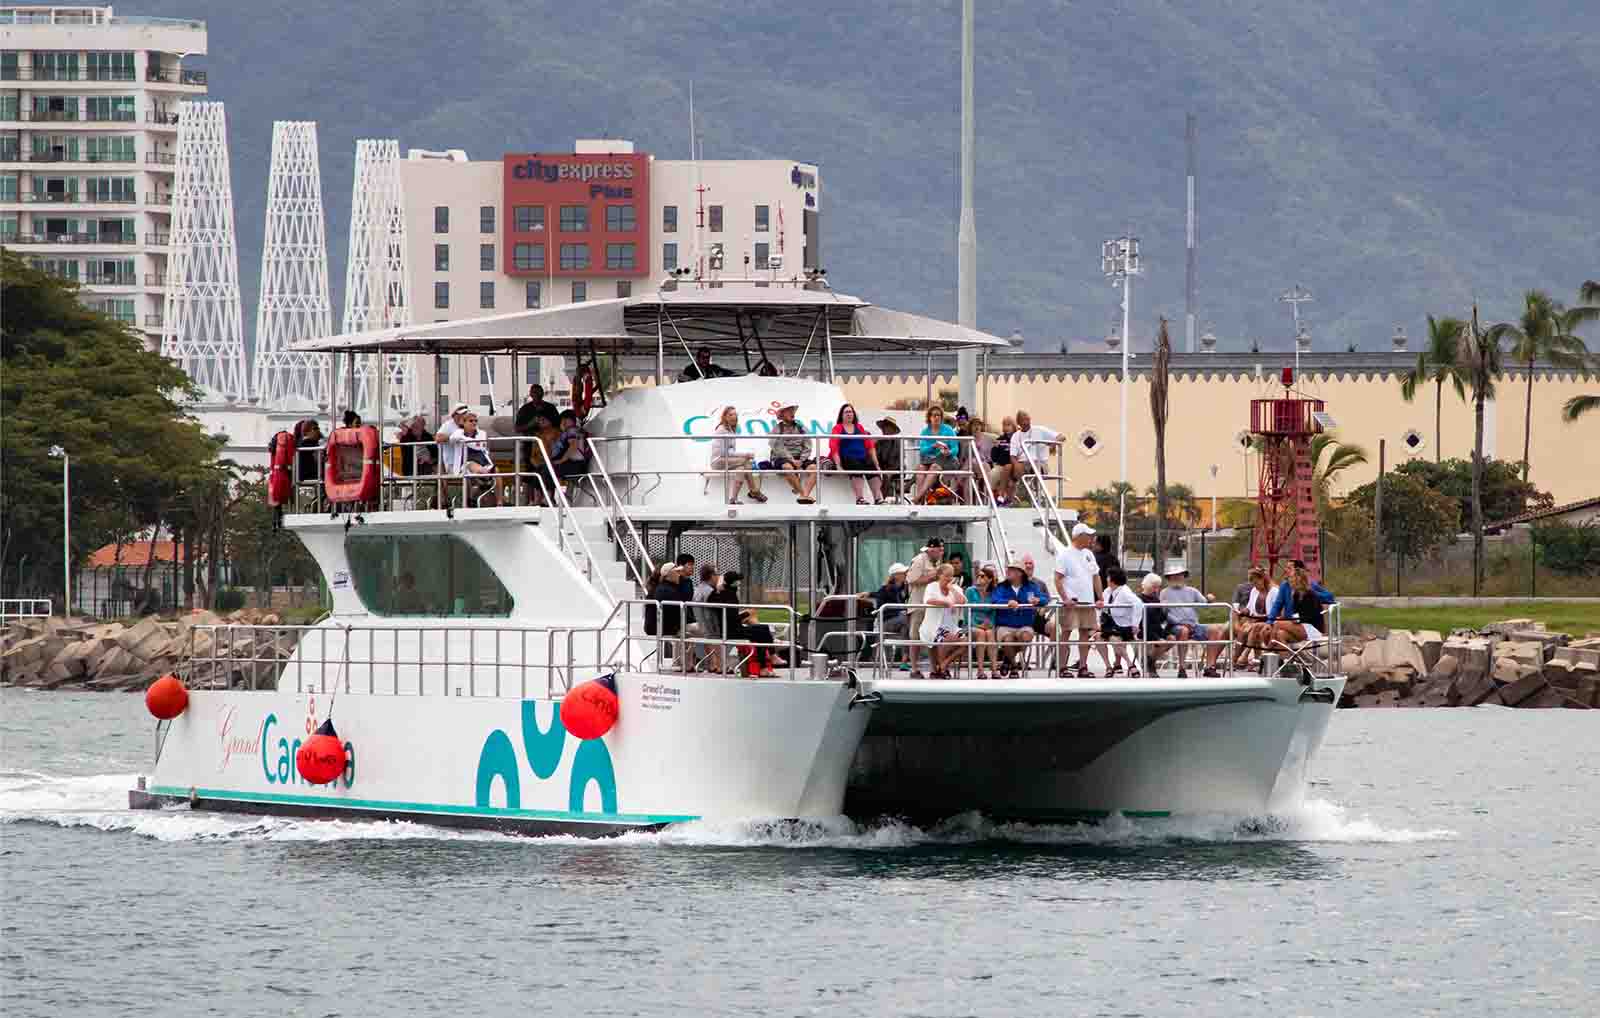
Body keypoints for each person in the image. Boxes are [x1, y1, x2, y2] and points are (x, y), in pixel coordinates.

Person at [1054, 522, 1104, 677]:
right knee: (1066, 632)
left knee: (1085, 634)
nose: (1091, 538)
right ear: (1080, 536)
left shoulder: (1089, 554)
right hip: (1071, 602)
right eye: (1088, 535)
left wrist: (1100, 597)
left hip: (1087, 601)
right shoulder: (1064, 554)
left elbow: (1096, 577)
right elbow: (1057, 578)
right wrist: (1065, 598)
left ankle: (1083, 666)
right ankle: (1062, 667)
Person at [989, 559, 1050, 677]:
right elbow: (995, 600)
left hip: (1024, 624)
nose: (1008, 572)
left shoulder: (1032, 586)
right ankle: (1014, 666)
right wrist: (1008, 602)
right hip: (1005, 625)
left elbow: (1045, 599)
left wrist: (1038, 600)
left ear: (1019, 573)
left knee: (1026, 636)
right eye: (1008, 569)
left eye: (1011, 570)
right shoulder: (1001, 587)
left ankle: (1008, 661)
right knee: (1007, 640)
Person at [710, 570, 777, 676]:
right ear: (733, 582)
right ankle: (769, 660)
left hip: (734, 628)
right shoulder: (728, 595)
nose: (739, 583)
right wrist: (747, 614)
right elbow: (732, 618)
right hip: (732, 631)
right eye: (737, 581)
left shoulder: (727, 593)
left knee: (762, 630)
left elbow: (730, 616)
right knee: (762, 631)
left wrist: (746, 614)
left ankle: (766, 664)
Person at [1160, 566, 1216, 678]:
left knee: (1214, 630)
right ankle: (1182, 668)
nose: (1177, 577)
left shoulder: (1192, 591)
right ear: (1169, 578)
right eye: (1174, 575)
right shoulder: (1164, 593)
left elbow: (1204, 602)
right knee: (1183, 631)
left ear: (1184, 577)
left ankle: (1210, 667)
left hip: (1193, 625)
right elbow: (1164, 613)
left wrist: (1210, 599)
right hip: (1174, 626)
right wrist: (1180, 622)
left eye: (1179, 575)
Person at [1266, 559, 1336, 645]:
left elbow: (1330, 597)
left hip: (1308, 626)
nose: (1286, 570)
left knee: (1277, 624)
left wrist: (1310, 591)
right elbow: (1277, 605)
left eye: (1289, 568)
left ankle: (1268, 651)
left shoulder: (1311, 590)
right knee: (1279, 634)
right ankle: (1284, 658)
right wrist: (1270, 621)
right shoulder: (1286, 587)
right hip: (1292, 622)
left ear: (1298, 574)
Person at [827, 404, 885, 505]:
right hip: (847, 458)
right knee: (855, 466)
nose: (849, 414)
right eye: (846, 412)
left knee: (872, 469)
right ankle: (860, 498)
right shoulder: (838, 428)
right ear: (841, 415)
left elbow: (870, 446)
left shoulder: (859, 427)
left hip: (862, 457)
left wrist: (877, 465)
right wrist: (838, 465)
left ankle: (878, 498)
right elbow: (833, 447)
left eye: (851, 412)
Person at [904, 538, 944, 679]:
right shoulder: (919, 560)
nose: (942, 552)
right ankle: (914, 669)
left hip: (932, 606)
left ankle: (935, 669)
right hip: (918, 605)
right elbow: (911, 580)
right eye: (940, 549)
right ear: (932, 549)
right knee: (915, 638)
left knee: (932, 637)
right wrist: (933, 576)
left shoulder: (937, 561)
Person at [709, 406, 767, 504]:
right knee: (746, 461)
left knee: (741, 469)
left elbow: (731, 451)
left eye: (735, 414)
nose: (733, 416)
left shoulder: (731, 429)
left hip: (726, 460)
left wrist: (744, 455)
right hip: (718, 461)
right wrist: (745, 454)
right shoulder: (722, 429)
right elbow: (724, 452)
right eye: (730, 414)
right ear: (725, 417)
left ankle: (733, 499)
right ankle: (754, 490)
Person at [920, 563, 969, 679]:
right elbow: (928, 600)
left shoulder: (955, 588)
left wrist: (952, 589)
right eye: (946, 575)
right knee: (947, 639)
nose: (949, 578)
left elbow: (963, 601)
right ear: (939, 575)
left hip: (951, 626)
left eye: (951, 576)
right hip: (934, 627)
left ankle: (944, 665)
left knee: (966, 641)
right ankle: (942, 669)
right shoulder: (932, 586)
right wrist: (946, 603)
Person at [768, 402, 818, 503]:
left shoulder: (801, 427)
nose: (792, 413)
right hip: (782, 458)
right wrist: (791, 459)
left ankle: (805, 495)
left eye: (793, 411)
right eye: (789, 411)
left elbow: (808, 444)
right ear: (782, 414)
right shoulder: (777, 428)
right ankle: (803, 494)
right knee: (787, 467)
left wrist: (801, 459)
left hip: (799, 458)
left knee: (814, 469)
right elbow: (776, 446)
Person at [1007, 409, 1062, 500]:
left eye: (1027, 418)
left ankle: (1039, 496)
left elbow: (1061, 437)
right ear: (1018, 423)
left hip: (1040, 463)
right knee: (1012, 468)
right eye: (1023, 419)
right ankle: (1020, 498)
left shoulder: (1039, 430)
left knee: (1035, 465)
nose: (1026, 421)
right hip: (1023, 463)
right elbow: (1012, 456)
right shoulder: (1016, 436)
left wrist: (1053, 444)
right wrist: (1016, 464)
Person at [864, 562, 912, 664]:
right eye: (903, 573)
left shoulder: (904, 588)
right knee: (907, 620)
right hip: (886, 622)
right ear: (896, 575)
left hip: (898, 620)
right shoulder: (888, 588)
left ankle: (905, 660)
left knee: (906, 629)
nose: (906, 574)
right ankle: (906, 657)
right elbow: (880, 595)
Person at [1100, 567, 1144, 676]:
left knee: (1114, 639)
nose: (1106, 579)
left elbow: (1138, 604)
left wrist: (1135, 624)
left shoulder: (1124, 591)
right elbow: (1104, 608)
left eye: (1108, 577)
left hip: (1123, 626)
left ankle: (1130, 665)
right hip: (1110, 624)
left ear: (1112, 579)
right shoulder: (1107, 591)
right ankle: (1109, 666)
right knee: (1097, 638)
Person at [914, 405, 962, 503]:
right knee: (920, 468)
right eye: (934, 415)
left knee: (934, 467)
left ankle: (918, 497)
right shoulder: (925, 432)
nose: (937, 417)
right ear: (929, 417)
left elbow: (955, 449)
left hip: (948, 460)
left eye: (939, 415)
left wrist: (949, 452)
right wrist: (933, 446)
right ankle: (921, 499)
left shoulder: (948, 430)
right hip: (930, 460)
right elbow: (923, 450)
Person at [965, 561, 1001, 678]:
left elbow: (993, 613)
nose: (979, 578)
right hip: (972, 623)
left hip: (987, 624)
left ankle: (994, 670)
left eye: (982, 576)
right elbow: (967, 612)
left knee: (990, 633)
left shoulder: (993, 593)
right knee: (981, 633)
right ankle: (980, 670)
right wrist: (976, 625)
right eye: (978, 576)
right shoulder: (970, 591)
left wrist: (990, 624)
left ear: (989, 579)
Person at [1135, 572, 1172, 677]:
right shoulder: (1139, 599)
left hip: (1156, 629)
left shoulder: (1156, 599)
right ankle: (1150, 664)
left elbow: (1160, 619)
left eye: (1158, 587)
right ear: (1147, 586)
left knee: (1172, 639)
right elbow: (1143, 621)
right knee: (1162, 642)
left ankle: (1150, 659)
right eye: (1154, 587)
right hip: (1144, 629)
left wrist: (1165, 609)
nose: (1156, 590)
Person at [550, 410, 593, 491]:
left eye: (565, 420)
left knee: (546, 470)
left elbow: (573, 446)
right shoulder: (579, 431)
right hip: (579, 466)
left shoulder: (572, 431)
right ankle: (565, 498)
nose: (563, 423)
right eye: (562, 421)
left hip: (572, 466)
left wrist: (561, 461)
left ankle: (547, 498)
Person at [874, 417, 905, 500]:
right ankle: (878, 498)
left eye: (888, 426)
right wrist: (879, 469)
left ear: (892, 430)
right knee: (875, 475)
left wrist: (888, 471)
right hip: (882, 468)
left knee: (887, 475)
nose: (885, 429)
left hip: (897, 467)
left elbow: (900, 460)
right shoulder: (878, 442)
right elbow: (875, 458)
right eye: (884, 426)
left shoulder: (898, 442)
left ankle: (881, 499)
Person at [435, 403, 470, 475]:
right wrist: (454, 437)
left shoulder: (469, 424)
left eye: (465, 413)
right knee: (468, 473)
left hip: (468, 460)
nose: (464, 415)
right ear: (454, 415)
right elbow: (438, 438)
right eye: (462, 413)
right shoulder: (447, 425)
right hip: (453, 463)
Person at [988, 416, 1016, 504]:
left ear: (1013, 426)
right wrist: (995, 448)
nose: (1006, 428)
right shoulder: (1000, 439)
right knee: (992, 474)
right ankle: (993, 496)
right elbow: (994, 458)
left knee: (1010, 480)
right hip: (1001, 465)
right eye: (1004, 425)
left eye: (1008, 425)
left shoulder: (1017, 438)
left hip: (1014, 466)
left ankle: (1004, 497)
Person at [293, 419, 323, 486]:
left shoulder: (307, 443)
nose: (318, 430)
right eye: (315, 428)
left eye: (318, 428)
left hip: (310, 480)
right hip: (309, 480)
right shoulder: (306, 443)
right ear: (306, 431)